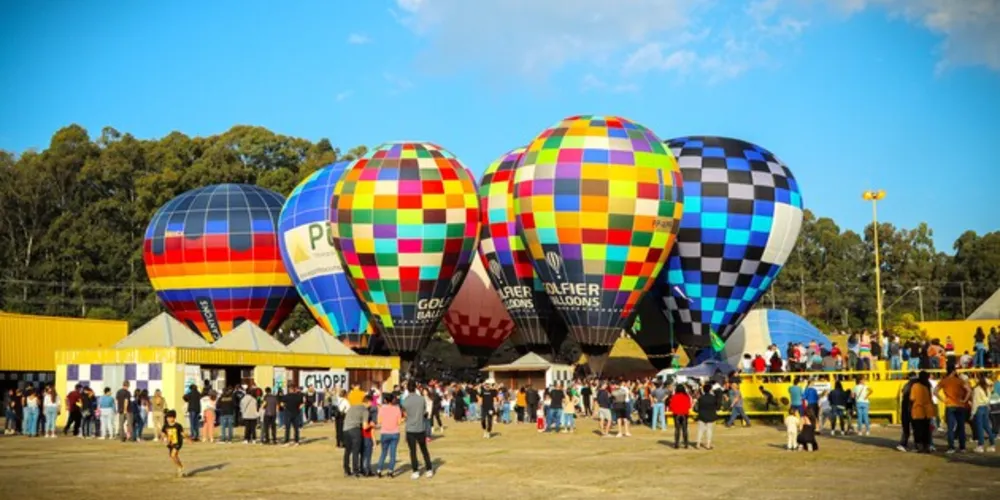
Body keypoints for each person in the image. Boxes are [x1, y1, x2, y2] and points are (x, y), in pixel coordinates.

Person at [935, 360, 971, 454]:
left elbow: (935, 392)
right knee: (961, 427)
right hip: (960, 404)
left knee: (950, 428)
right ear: (954, 371)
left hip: (950, 405)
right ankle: (962, 447)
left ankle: (951, 447)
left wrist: (943, 400)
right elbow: (969, 391)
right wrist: (964, 400)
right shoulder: (960, 381)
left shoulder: (944, 381)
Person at [402, 381, 434, 479]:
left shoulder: (405, 401)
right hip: (420, 427)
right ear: (416, 388)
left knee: (413, 451)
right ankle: (429, 469)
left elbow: (405, 414)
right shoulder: (421, 399)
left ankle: (415, 471)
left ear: (407, 389)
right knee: (424, 450)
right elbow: (424, 411)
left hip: (410, 428)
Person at [376, 393, 403, 478]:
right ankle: (390, 470)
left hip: (384, 433)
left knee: (383, 453)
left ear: (385, 400)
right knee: (393, 453)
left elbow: (379, 422)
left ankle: (379, 470)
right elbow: (399, 422)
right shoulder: (397, 408)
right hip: (395, 433)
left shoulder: (382, 409)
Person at [909, 371, 935, 453]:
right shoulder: (928, 386)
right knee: (926, 430)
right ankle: (927, 446)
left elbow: (912, 398)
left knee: (917, 430)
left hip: (917, 410)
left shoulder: (915, 386)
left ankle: (919, 446)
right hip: (927, 411)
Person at [971, 374, 997, 453]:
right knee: (987, 427)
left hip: (979, 408)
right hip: (985, 407)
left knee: (979, 428)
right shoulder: (987, 388)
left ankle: (980, 446)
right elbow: (991, 384)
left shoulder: (977, 389)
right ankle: (992, 444)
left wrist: (972, 413)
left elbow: (975, 402)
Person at [342, 394, 367, 477]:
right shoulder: (365, 410)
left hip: (345, 429)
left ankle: (346, 469)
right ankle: (355, 470)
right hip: (355, 429)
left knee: (347, 450)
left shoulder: (352, 407)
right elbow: (365, 425)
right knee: (356, 450)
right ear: (368, 402)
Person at [160, 410, 189, 478]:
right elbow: (163, 433)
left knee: (173, 455)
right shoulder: (165, 426)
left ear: (174, 418)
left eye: (170, 417)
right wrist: (163, 438)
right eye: (167, 417)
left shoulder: (178, 425)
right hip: (170, 443)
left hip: (178, 442)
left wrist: (187, 438)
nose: (168, 419)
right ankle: (180, 467)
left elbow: (182, 433)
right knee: (173, 456)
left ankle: (180, 468)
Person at [896, 372, 918, 452]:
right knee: (916, 428)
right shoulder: (918, 385)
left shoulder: (906, 385)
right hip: (914, 409)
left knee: (906, 429)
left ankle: (903, 444)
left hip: (905, 409)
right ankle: (917, 445)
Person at [694, 383, 719, 450]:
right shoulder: (713, 398)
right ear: (710, 389)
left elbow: (697, 408)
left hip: (702, 415)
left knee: (700, 430)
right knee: (709, 430)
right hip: (710, 415)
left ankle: (698, 444)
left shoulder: (701, 398)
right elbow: (717, 406)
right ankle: (708, 445)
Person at [669, 385, 692, 449]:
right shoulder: (686, 396)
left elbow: (671, 406)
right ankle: (686, 444)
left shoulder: (674, 396)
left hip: (676, 414)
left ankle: (676, 444)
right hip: (684, 414)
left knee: (677, 429)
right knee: (685, 429)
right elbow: (689, 405)